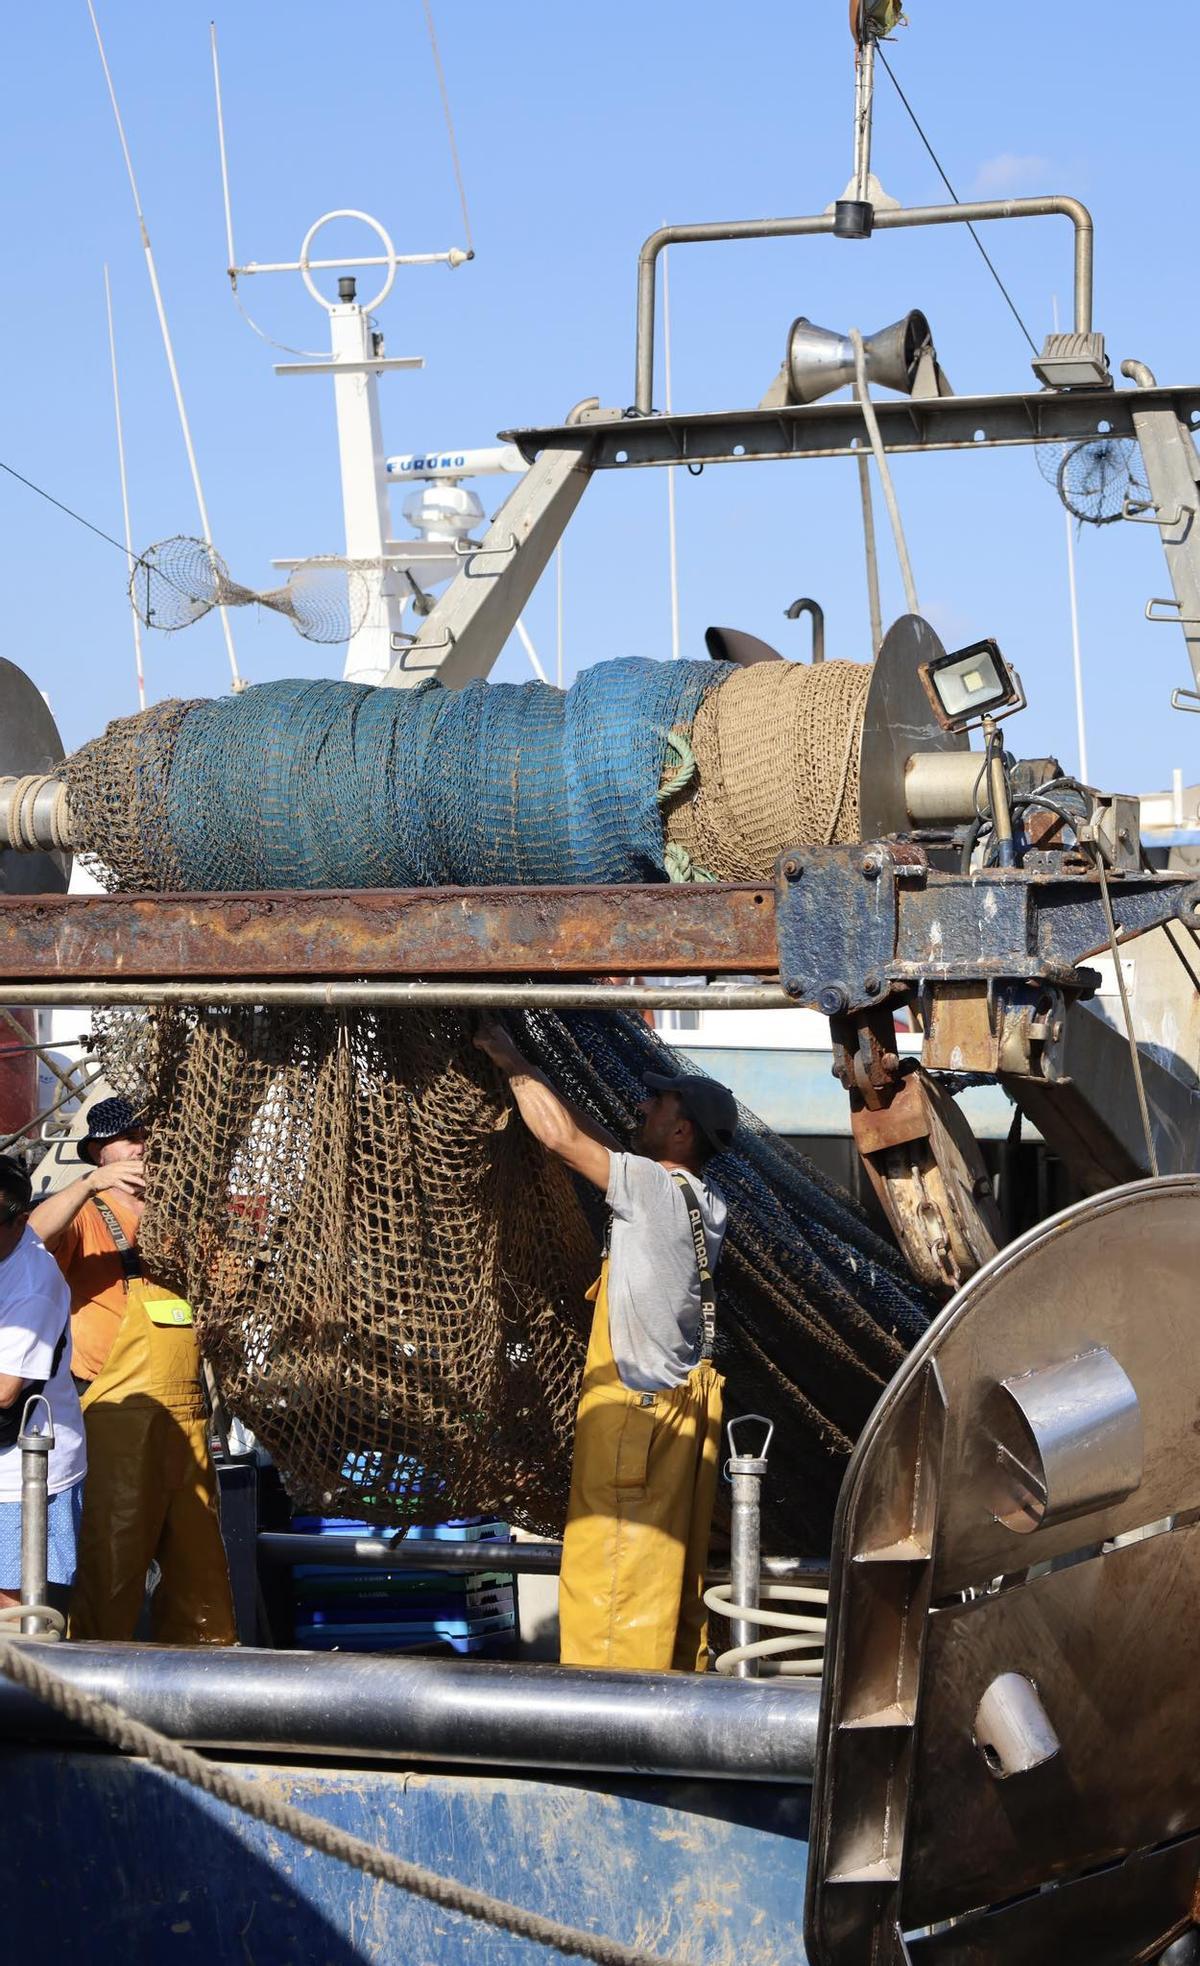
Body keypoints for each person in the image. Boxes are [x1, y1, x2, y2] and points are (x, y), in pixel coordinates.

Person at [474, 1022, 736, 1672]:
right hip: (681, 1421)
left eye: (658, 1104)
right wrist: (542, 1074)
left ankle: (609, 1722)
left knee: (611, 1592)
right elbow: (599, 1139)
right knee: (664, 1587)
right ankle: (671, 1715)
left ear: (681, 1132)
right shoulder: (703, 1201)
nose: (642, 1107)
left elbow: (563, 1140)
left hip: (633, 1429)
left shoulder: (648, 1191)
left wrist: (510, 1061)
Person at [29, 1097, 236, 1644]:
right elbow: (29, 1239)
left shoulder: (182, 1221)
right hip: (114, 1418)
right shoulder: (83, 1215)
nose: (142, 1146)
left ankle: (206, 1676)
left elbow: (231, 1288)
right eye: (128, 1138)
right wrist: (90, 1185)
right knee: (112, 1565)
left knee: (201, 1570)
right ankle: (90, 1679)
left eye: (147, 1135)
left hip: (188, 1421)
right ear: (99, 1152)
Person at [0, 1152, 85, 1620]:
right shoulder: (13, 1241)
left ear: (19, 1223)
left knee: (15, 1609)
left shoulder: (32, 1282)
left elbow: (4, 1390)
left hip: (21, 1475)